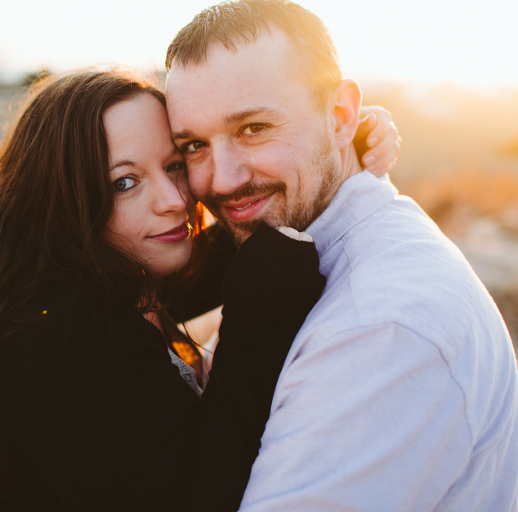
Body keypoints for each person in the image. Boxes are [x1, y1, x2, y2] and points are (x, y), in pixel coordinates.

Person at [0, 69, 398, 511]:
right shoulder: (53, 335)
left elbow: (235, 249)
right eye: (125, 182)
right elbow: (195, 499)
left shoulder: (120, 280)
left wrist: (330, 147)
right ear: (67, 202)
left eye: (175, 166)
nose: (175, 200)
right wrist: (253, 323)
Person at [164, 1, 518, 510]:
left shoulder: (381, 328)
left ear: (340, 116)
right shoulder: (293, 252)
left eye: (254, 128)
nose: (221, 179)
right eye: (194, 145)